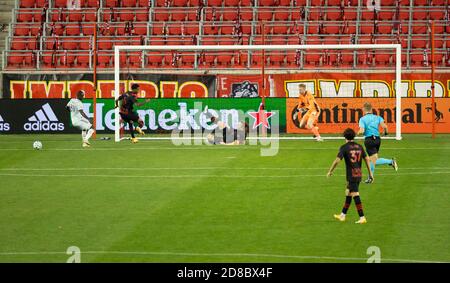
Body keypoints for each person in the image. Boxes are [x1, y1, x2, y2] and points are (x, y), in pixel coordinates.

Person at [327, 128, 373, 224]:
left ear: (345, 137)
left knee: (355, 194)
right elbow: (367, 159)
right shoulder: (359, 146)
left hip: (352, 175)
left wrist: (330, 171)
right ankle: (342, 215)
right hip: (358, 173)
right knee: (348, 192)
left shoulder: (344, 147)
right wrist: (370, 174)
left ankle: (362, 217)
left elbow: (337, 160)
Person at [358, 102, 398, 183]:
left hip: (369, 140)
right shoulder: (378, 117)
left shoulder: (362, 119)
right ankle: (371, 178)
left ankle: (391, 162)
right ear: (371, 109)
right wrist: (385, 133)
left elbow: (362, 131)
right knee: (372, 159)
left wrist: (357, 133)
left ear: (364, 109)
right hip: (377, 140)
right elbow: (385, 127)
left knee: (373, 161)